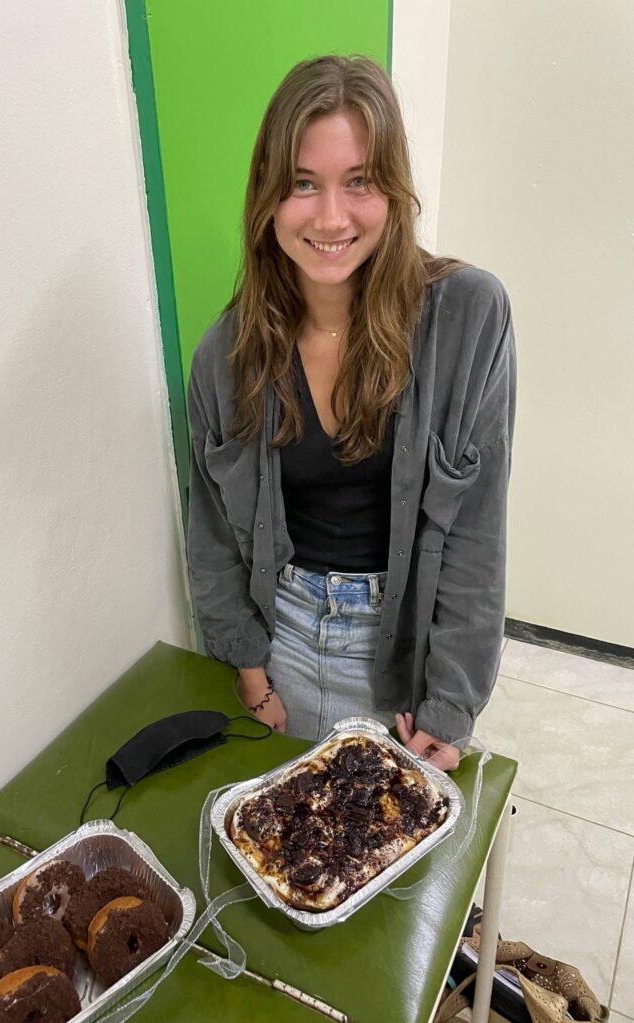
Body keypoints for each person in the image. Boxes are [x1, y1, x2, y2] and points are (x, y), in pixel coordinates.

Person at [186, 55, 516, 771]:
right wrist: (250, 668)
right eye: (304, 183)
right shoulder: (224, 354)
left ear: (394, 189)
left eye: (359, 181)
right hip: (288, 635)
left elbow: (477, 535)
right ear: (268, 197)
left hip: (412, 642)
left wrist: (449, 705)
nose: (331, 217)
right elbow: (212, 534)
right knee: (299, 847)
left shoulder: (469, 317)